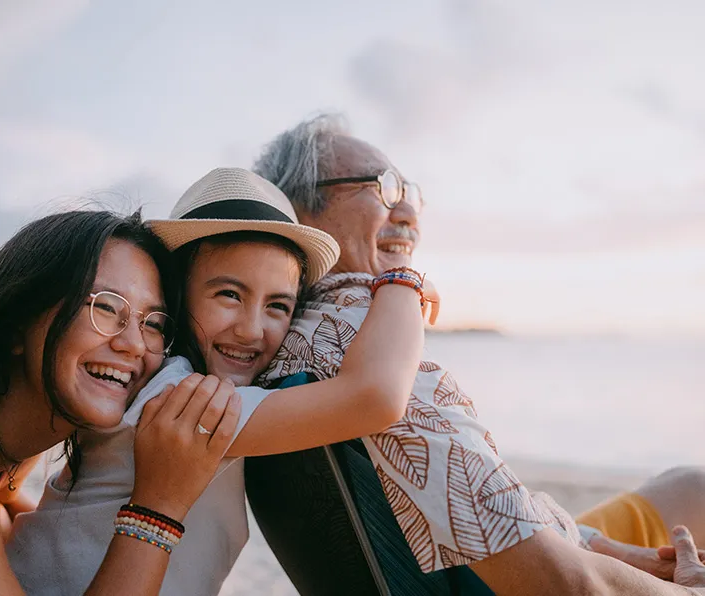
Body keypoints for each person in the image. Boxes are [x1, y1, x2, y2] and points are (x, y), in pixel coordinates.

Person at [247, 113, 705, 595]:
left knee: (690, 489)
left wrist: (619, 554)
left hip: (512, 556)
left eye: (410, 190)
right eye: (382, 186)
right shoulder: (369, 344)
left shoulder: (287, 338)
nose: (408, 213)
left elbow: (488, 508)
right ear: (297, 210)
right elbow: (564, 584)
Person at [6, 167, 435, 595]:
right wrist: (401, 282)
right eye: (229, 295)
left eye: (278, 306)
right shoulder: (182, 399)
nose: (251, 330)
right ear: (175, 296)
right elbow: (374, 397)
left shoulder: (149, 381)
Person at [0, 209, 243, 595]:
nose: (134, 344)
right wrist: (157, 508)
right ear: (19, 317)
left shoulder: (12, 451)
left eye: (153, 323)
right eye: (105, 307)